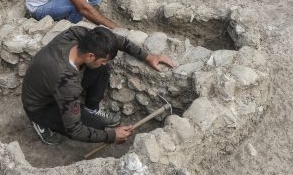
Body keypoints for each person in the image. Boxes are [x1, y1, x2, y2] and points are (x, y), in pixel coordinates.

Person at [22, 25, 177, 145]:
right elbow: (75, 130)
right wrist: (111, 136)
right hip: (40, 106)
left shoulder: (78, 35)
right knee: (96, 126)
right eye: (103, 59)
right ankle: (40, 122)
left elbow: (116, 41)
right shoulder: (66, 82)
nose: (105, 62)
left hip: (50, 85)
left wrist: (147, 56)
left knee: (101, 69)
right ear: (90, 56)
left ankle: (91, 108)